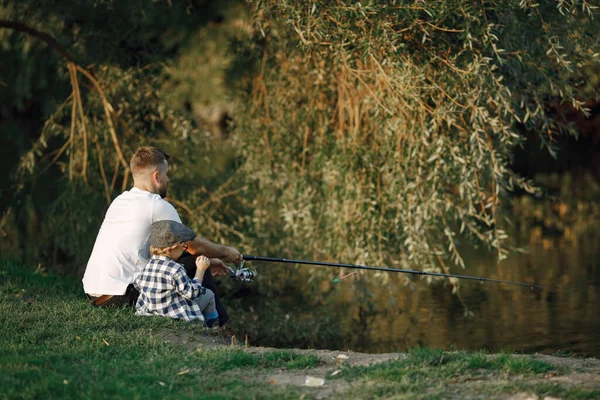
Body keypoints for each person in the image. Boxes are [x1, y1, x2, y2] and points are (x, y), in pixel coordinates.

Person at [82, 146, 241, 327]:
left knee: (191, 260)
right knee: (191, 260)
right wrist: (225, 252)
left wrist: (209, 262)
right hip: (120, 295)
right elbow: (191, 245)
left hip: (94, 292)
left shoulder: (119, 201)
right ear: (156, 177)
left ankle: (215, 325)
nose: (168, 179)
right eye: (166, 174)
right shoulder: (156, 205)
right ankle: (220, 328)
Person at [134, 220, 220, 327]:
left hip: (149, 313)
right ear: (174, 248)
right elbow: (191, 293)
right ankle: (213, 330)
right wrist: (200, 270)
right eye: (184, 247)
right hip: (173, 316)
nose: (184, 251)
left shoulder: (147, 265)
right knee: (209, 294)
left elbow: (138, 284)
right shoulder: (175, 269)